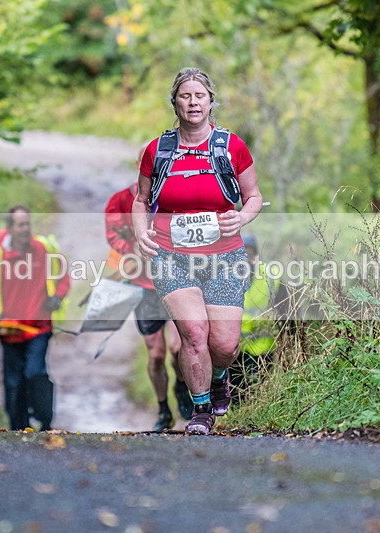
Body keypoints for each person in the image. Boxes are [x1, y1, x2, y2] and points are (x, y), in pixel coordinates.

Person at [132, 67, 263, 435]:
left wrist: (241, 218)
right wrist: (141, 233)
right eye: (185, 96)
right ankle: (200, 410)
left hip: (224, 255)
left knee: (224, 343)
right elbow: (141, 200)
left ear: (210, 101)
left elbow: (253, 197)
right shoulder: (157, 150)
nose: (192, 102)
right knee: (193, 331)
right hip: (171, 255)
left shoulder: (230, 146)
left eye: (199, 95)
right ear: (174, 102)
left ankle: (219, 375)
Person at [105, 176, 192, 431]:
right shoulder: (121, 200)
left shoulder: (176, 194)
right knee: (156, 355)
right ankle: (163, 410)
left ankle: (182, 385)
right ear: (139, 165)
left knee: (179, 347)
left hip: (176, 281)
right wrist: (132, 246)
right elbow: (113, 235)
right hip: (144, 288)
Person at [0, 206, 70, 431]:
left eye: (27, 223)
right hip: (9, 330)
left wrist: (56, 297)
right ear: (9, 228)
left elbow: (63, 277)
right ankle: (18, 432)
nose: (25, 229)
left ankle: (44, 419)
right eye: (20, 225)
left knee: (34, 372)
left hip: (40, 328)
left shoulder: (44, 249)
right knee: (13, 383)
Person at [228, 233, 282, 401]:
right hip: (233, 350)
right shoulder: (225, 277)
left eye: (248, 251)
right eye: (240, 251)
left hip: (262, 348)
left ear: (255, 254)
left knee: (256, 392)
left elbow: (285, 309)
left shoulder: (271, 275)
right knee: (236, 394)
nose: (245, 256)